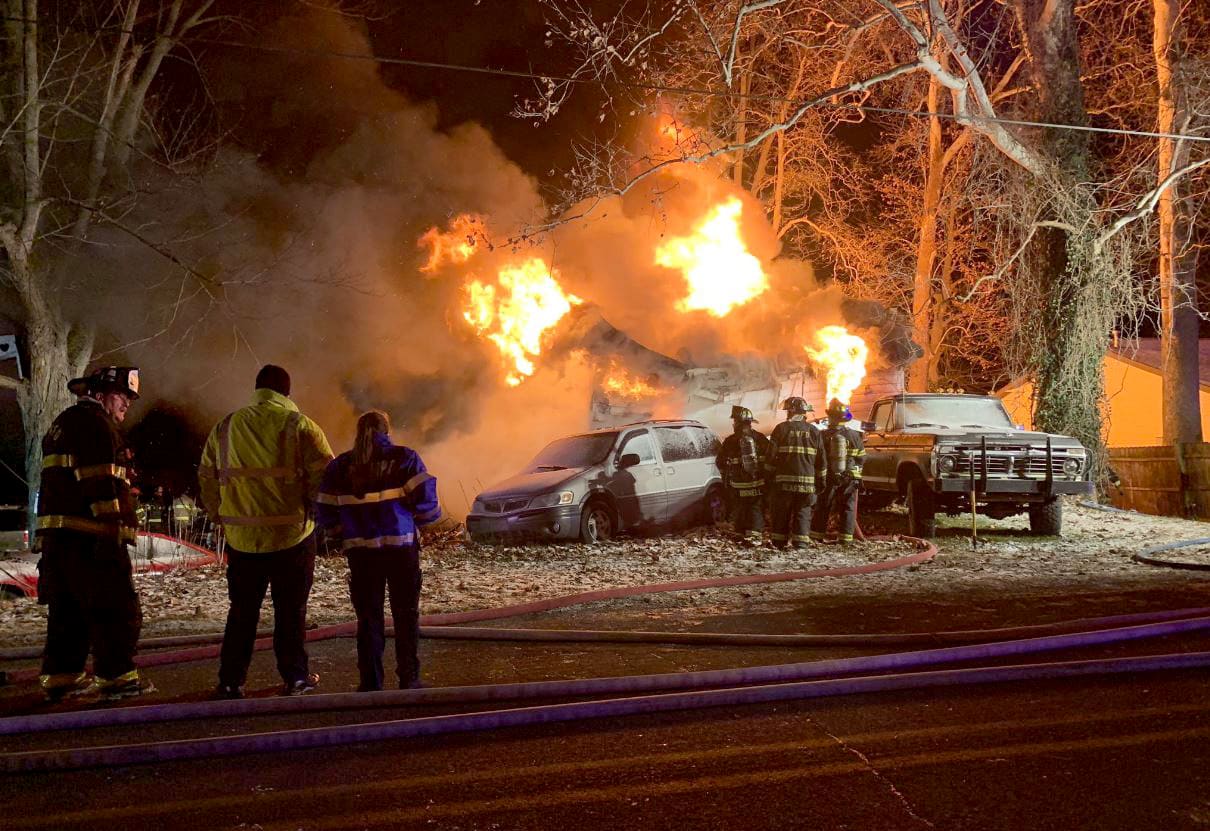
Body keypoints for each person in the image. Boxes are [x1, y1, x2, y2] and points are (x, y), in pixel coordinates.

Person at [199, 365, 334, 698]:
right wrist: (321, 515)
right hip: (292, 537)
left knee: (242, 612)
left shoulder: (225, 426)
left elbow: (206, 476)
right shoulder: (301, 425)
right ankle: (296, 678)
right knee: (290, 612)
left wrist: (221, 514)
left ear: (256, 389)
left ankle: (231, 681)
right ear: (287, 393)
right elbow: (327, 479)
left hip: (242, 540)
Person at [36, 366, 151, 701]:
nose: (127, 404)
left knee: (67, 611)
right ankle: (117, 679)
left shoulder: (63, 424)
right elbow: (99, 478)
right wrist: (114, 525)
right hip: (94, 538)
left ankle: (62, 678)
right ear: (100, 394)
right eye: (122, 395)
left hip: (61, 540)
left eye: (130, 398)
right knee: (115, 609)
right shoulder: (96, 425)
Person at [316, 410, 440, 691]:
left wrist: (342, 531)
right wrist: (414, 519)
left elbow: (325, 511)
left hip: (361, 554)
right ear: (387, 431)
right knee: (406, 616)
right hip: (401, 550)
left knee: (369, 618)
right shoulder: (404, 458)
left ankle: (370, 682)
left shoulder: (340, 466)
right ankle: (409, 679)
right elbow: (429, 506)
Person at [765, 396, 825, 550]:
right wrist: (821, 481)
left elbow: (770, 457)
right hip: (807, 484)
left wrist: (768, 476)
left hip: (783, 483)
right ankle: (800, 543)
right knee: (803, 512)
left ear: (791, 412)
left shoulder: (781, 429)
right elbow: (821, 460)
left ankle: (779, 542)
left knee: (781, 512)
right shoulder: (814, 431)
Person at [810, 398, 866, 544]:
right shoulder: (855, 435)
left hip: (829, 477)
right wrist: (855, 475)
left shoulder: (823, 435)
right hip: (850, 477)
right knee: (848, 508)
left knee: (823, 506)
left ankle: (816, 536)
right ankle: (846, 539)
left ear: (831, 416)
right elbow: (861, 458)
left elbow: (819, 458)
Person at [715, 405, 771, 547]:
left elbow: (720, 461)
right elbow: (770, 456)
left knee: (740, 508)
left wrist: (726, 477)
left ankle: (741, 534)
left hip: (738, 485)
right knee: (755, 508)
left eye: (735, 421)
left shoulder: (730, 441)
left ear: (738, 423)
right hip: (757, 482)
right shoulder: (760, 438)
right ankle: (754, 537)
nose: (734, 424)